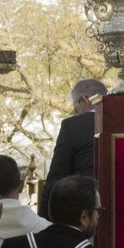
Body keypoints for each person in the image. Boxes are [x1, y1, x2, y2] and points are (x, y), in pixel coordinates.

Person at [38, 79, 106, 217]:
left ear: (84, 100)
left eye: (75, 108)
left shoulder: (73, 125)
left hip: (85, 213)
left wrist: (43, 220)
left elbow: (57, 175)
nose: (76, 113)